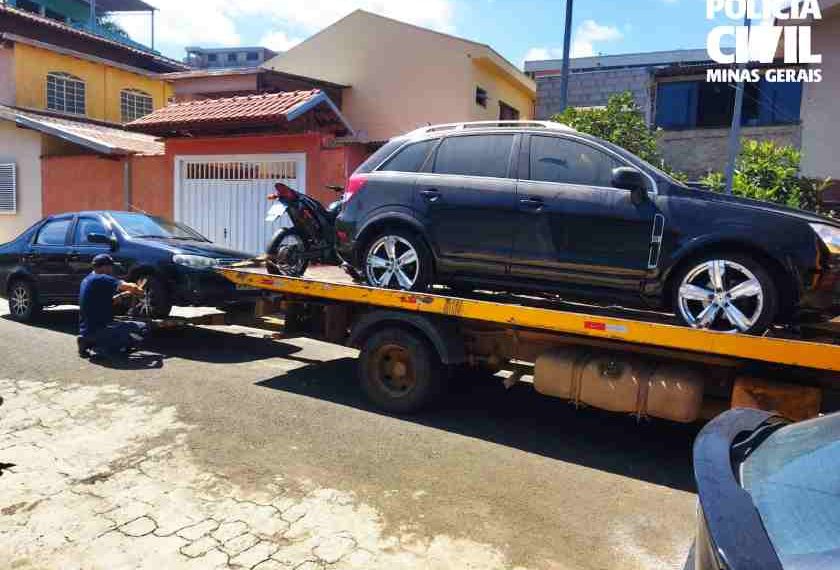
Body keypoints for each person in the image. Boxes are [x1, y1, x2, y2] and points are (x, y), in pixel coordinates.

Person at [77, 254, 149, 359]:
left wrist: (122, 295)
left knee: (122, 328)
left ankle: (87, 341)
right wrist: (139, 290)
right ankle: (110, 348)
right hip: (101, 328)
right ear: (104, 267)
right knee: (143, 327)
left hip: (87, 329)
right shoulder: (102, 277)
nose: (112, 269)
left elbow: (102, 302)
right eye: (111, 266)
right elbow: (130, 286)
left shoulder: (88, 279)